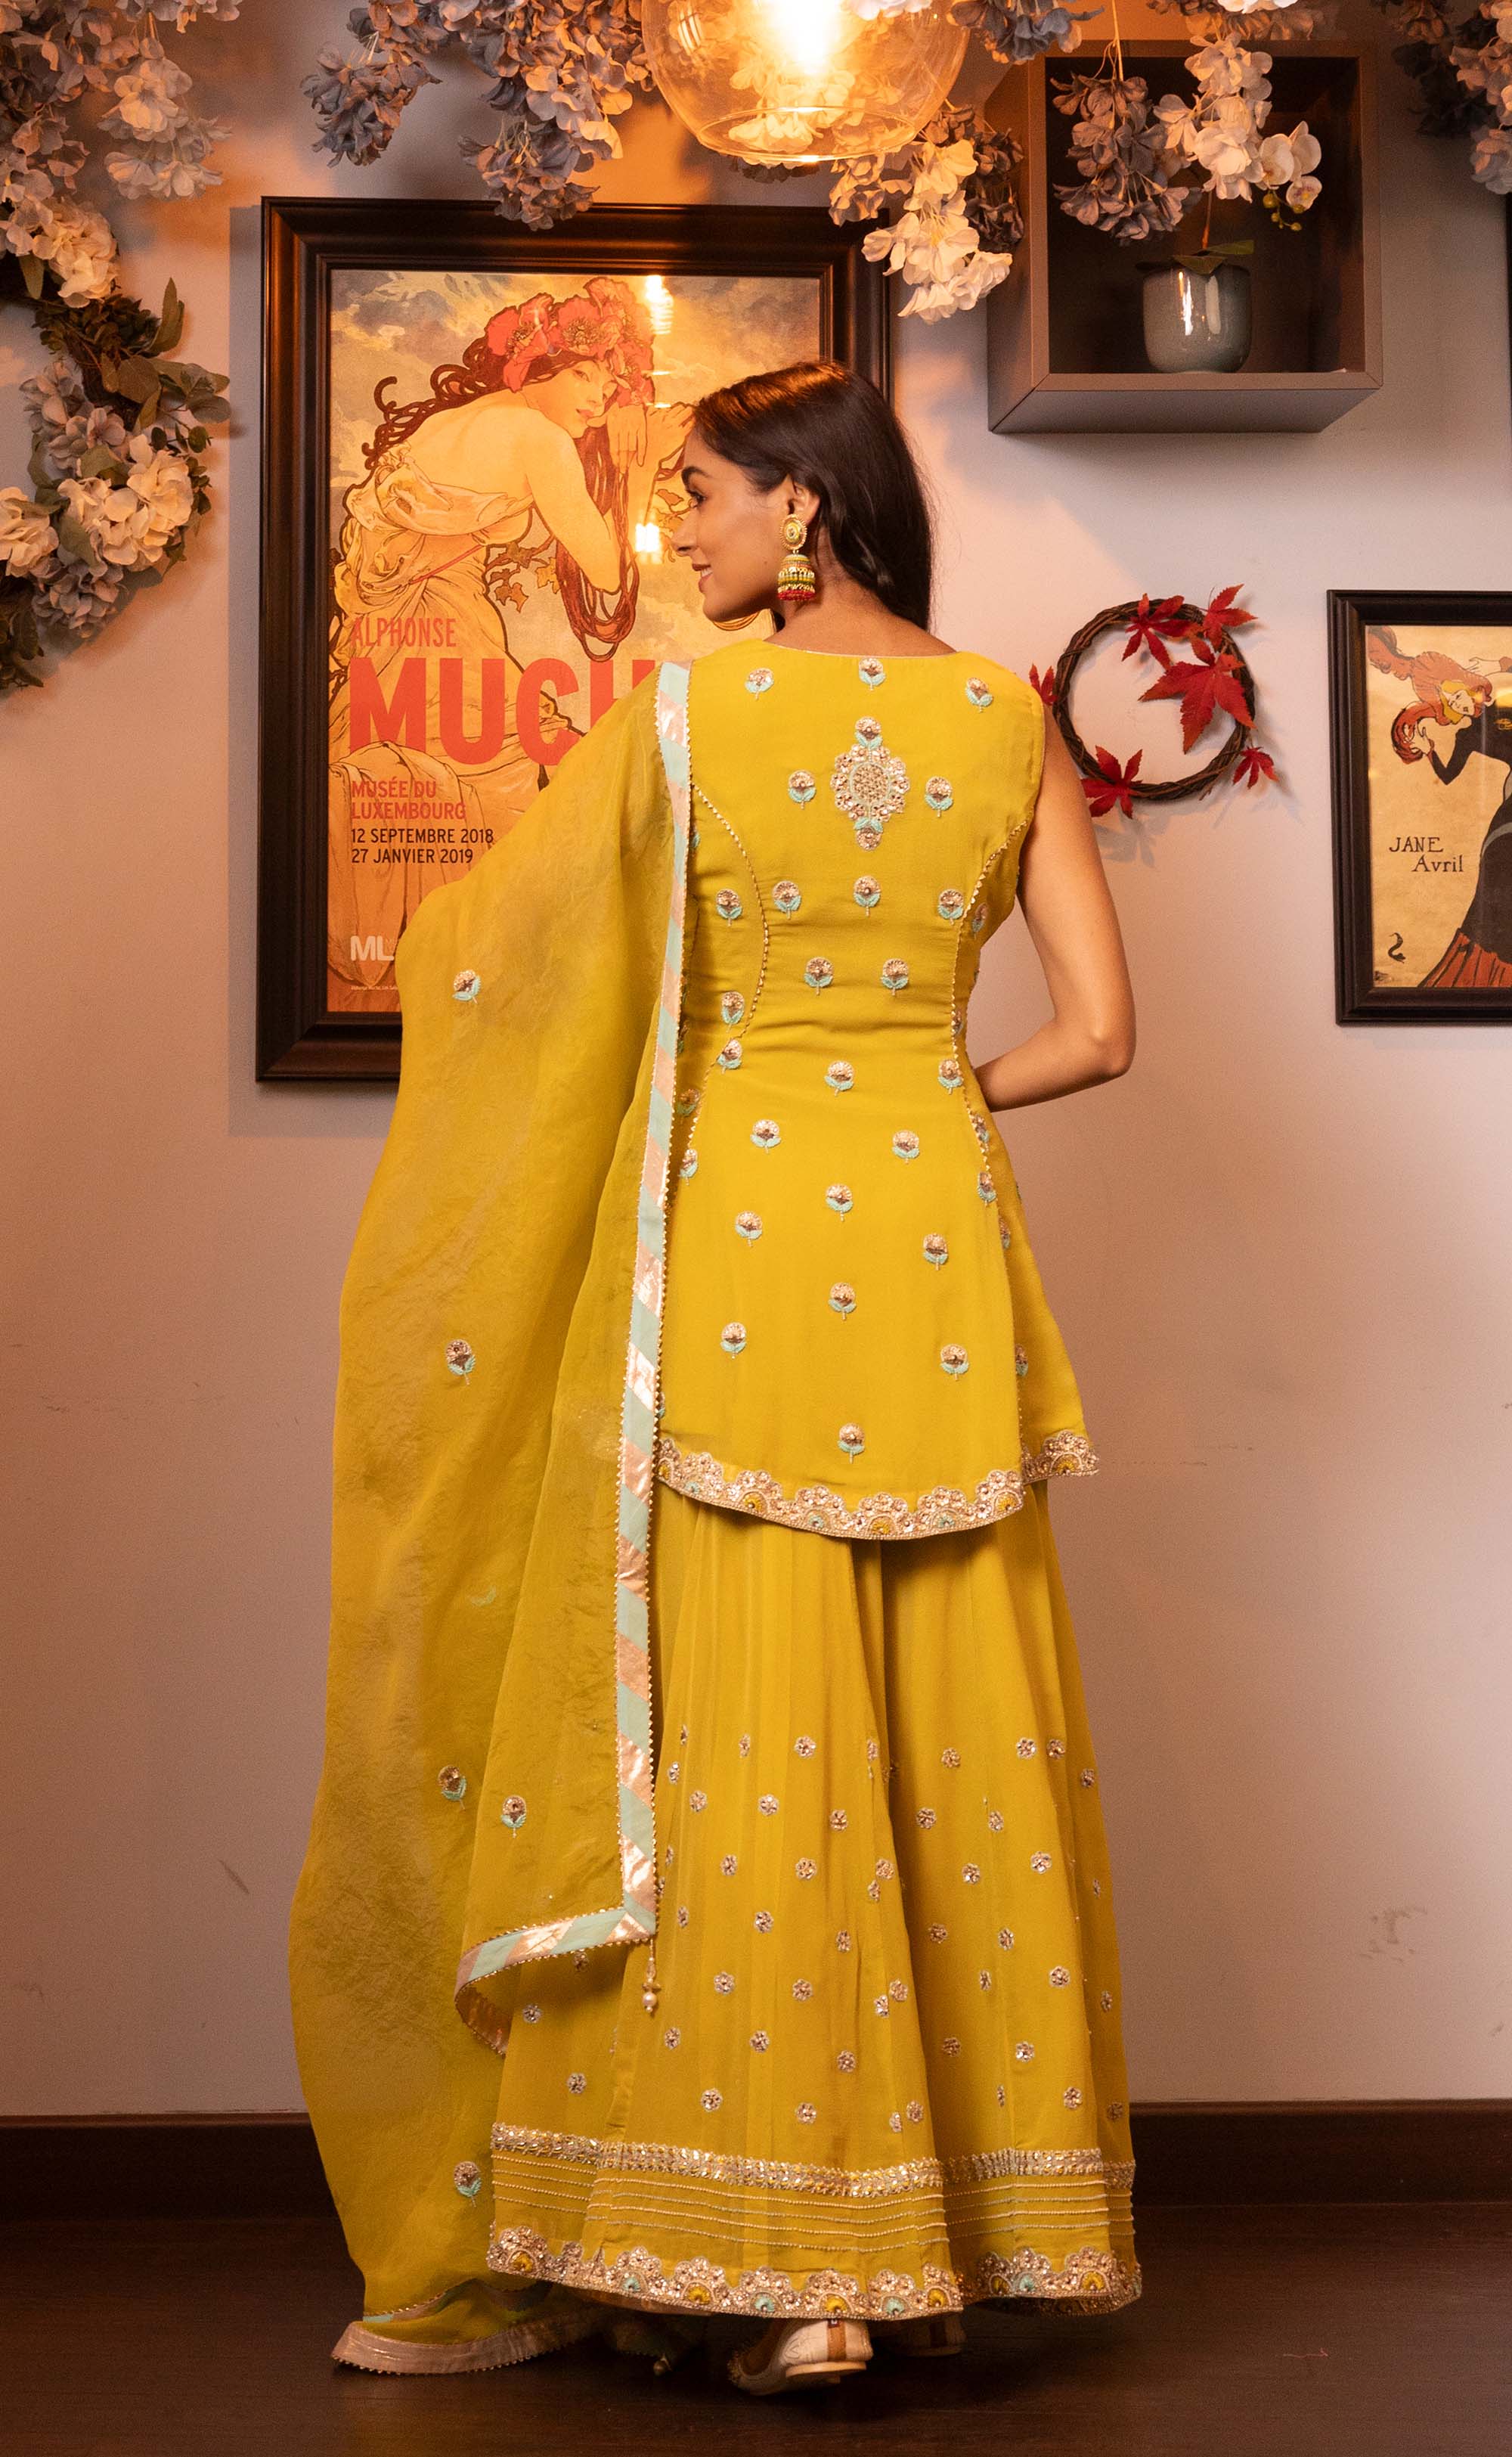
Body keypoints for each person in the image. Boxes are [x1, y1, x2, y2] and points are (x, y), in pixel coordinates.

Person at [290, 359, 1141, 2395]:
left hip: (737, 1242)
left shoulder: (681, 717)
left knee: (736, 1734)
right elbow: (1099, 1035)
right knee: (941, 1721)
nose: (679, 530)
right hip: (931, 1248)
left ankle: (773, 2267)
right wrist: (931, 1093)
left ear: (802, 509)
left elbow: (497, 962)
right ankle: (932, 2239)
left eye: (700, 492)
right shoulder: (1006, 715)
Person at [326, 275, 692, 1011]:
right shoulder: (538, 439)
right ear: (536, 364)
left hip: (392, 640)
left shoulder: (464, 421)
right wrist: (641, 467)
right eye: (583, 374)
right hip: (444, 642)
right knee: (510, 794)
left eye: (609, 385)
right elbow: (606, 576)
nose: (597, 398)